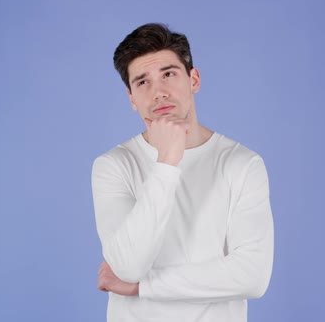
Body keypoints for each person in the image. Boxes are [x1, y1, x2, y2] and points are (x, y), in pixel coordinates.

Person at [91, 23, 274, 322]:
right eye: (142, 82)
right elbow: (127, 267)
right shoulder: (114, 165)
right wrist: (167, 161)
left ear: (194, 79)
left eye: (168, 74)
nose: (159, 92)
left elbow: (252, 276)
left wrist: (143, 287)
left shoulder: (241, 163)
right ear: (132, 99)